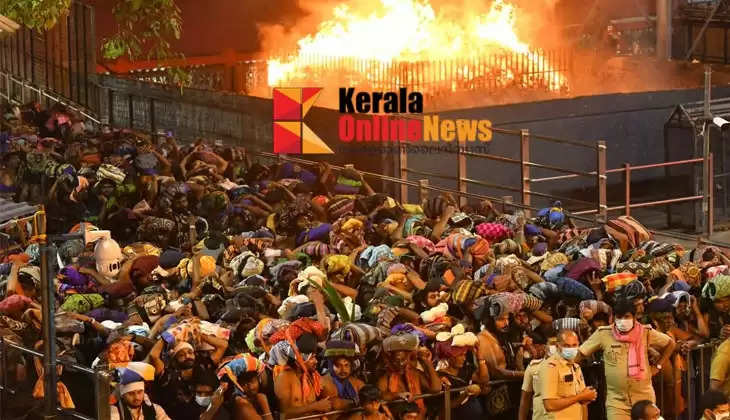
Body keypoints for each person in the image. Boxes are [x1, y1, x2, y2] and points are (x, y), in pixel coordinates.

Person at [576, 299, 675, 420]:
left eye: (626, 316)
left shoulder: (646, 332)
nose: (623, 320)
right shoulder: (603, 334)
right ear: (614, 317)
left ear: (634, 317)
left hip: (644, 397)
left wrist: (658, 366)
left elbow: (670, 344)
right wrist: (561, 361)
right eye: (619, 317)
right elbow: (580, 353)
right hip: (617, 402)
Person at [538, 329, 596, 420]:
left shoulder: (576, 367)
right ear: (558, 346)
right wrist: (580, 397)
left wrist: (585, 396)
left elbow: (583, 403)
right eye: (566, 345)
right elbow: (549, 404)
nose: (571, 349)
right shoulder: (550, 366)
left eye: (574, 345)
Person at [321, 340, 365, 410]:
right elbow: (336, 404)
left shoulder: (358, 384)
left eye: (346, 365)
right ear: (330, 365)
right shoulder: (323, 382)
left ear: (351, 366)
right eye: (338, 365)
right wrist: (359, 402)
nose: (343, 370)